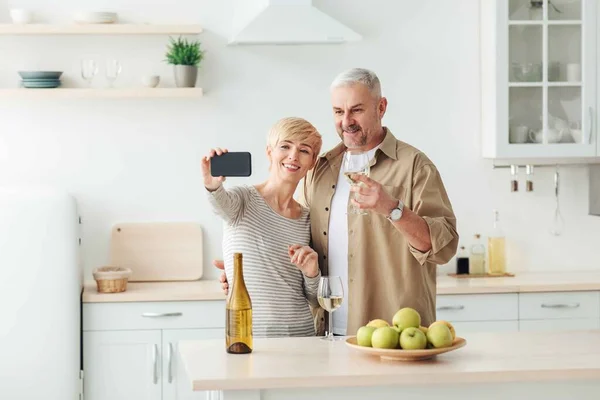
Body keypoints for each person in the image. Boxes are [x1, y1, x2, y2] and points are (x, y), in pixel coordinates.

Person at [216, 68, 459, 337]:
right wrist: (244, 272)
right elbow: (297, 246)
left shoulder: (415, 167)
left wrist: (392, 208)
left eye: (357, 110)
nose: (346, 121)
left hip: (394, 334)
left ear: (381, 107)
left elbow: (442, 247)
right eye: (338, 112)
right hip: (326, 333)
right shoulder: (321, 170)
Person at [203, 117, 323, 338]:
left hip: (302, 336)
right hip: (248, 335)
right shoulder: (242, 199)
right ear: (270, 152)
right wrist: (212, 183)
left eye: (304, 150)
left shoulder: (308, 219)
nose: (293, 156)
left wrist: (312, 272)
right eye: (285, 146)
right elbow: (218, 202)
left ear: (312, 161)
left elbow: (314, 299)